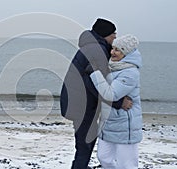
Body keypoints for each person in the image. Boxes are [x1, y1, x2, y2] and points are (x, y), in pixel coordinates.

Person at [60, 18, 133, 169]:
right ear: (105, 35)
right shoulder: (97, 50)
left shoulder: (92, 47)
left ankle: (80, 166)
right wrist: (119, 103)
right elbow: (95, 84)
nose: (115, 38)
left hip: (76, 102)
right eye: (113, 34)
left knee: (85, 142)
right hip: (81, 105)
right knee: (85, 145)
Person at [89, 34, 143, 169]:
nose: (112, 52)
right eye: (113, 48)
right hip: (108, 123)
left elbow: (110, 95)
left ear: (126, 53)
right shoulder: (113, 67)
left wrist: (95, 74)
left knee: (127, 165)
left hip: (125, 125)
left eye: (118, 50)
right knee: (104, 158)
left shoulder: (130, 72)